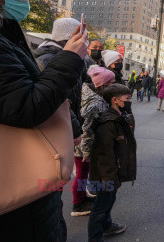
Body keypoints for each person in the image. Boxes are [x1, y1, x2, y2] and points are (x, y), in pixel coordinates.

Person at [0, 0, 88, 241]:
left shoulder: (4, 34)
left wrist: (72, 126)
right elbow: (24, 105)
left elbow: (32, 87)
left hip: (31, 202)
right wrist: (71, 58)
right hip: (12, 200)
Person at [88, 83, 137, 241]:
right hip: (105, 175)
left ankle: (107, 225)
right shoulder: (108, 122)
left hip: (113, 172)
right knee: (100, 207)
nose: (130, 101)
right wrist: (109, 178)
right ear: (115, 100)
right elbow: (104, 153)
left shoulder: (119, 117)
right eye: (127, 99)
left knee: (110, 200)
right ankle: (95, 238)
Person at [72, 65, 115, 217]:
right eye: (111, 83)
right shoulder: (94, 102)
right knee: (81, 174)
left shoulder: (92, 94)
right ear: (102, 84)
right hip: (84, 146)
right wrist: (86, 151)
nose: (113, 85)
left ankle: (81, 199)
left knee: (82, 173)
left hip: (85, 144)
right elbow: (87, 128)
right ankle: (78, 204)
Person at [33, 17, 83, 139]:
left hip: (63, 125)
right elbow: (54, 95)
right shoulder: (49, 59)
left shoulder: (64, 57)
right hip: (56, 129)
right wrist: (74, 129)